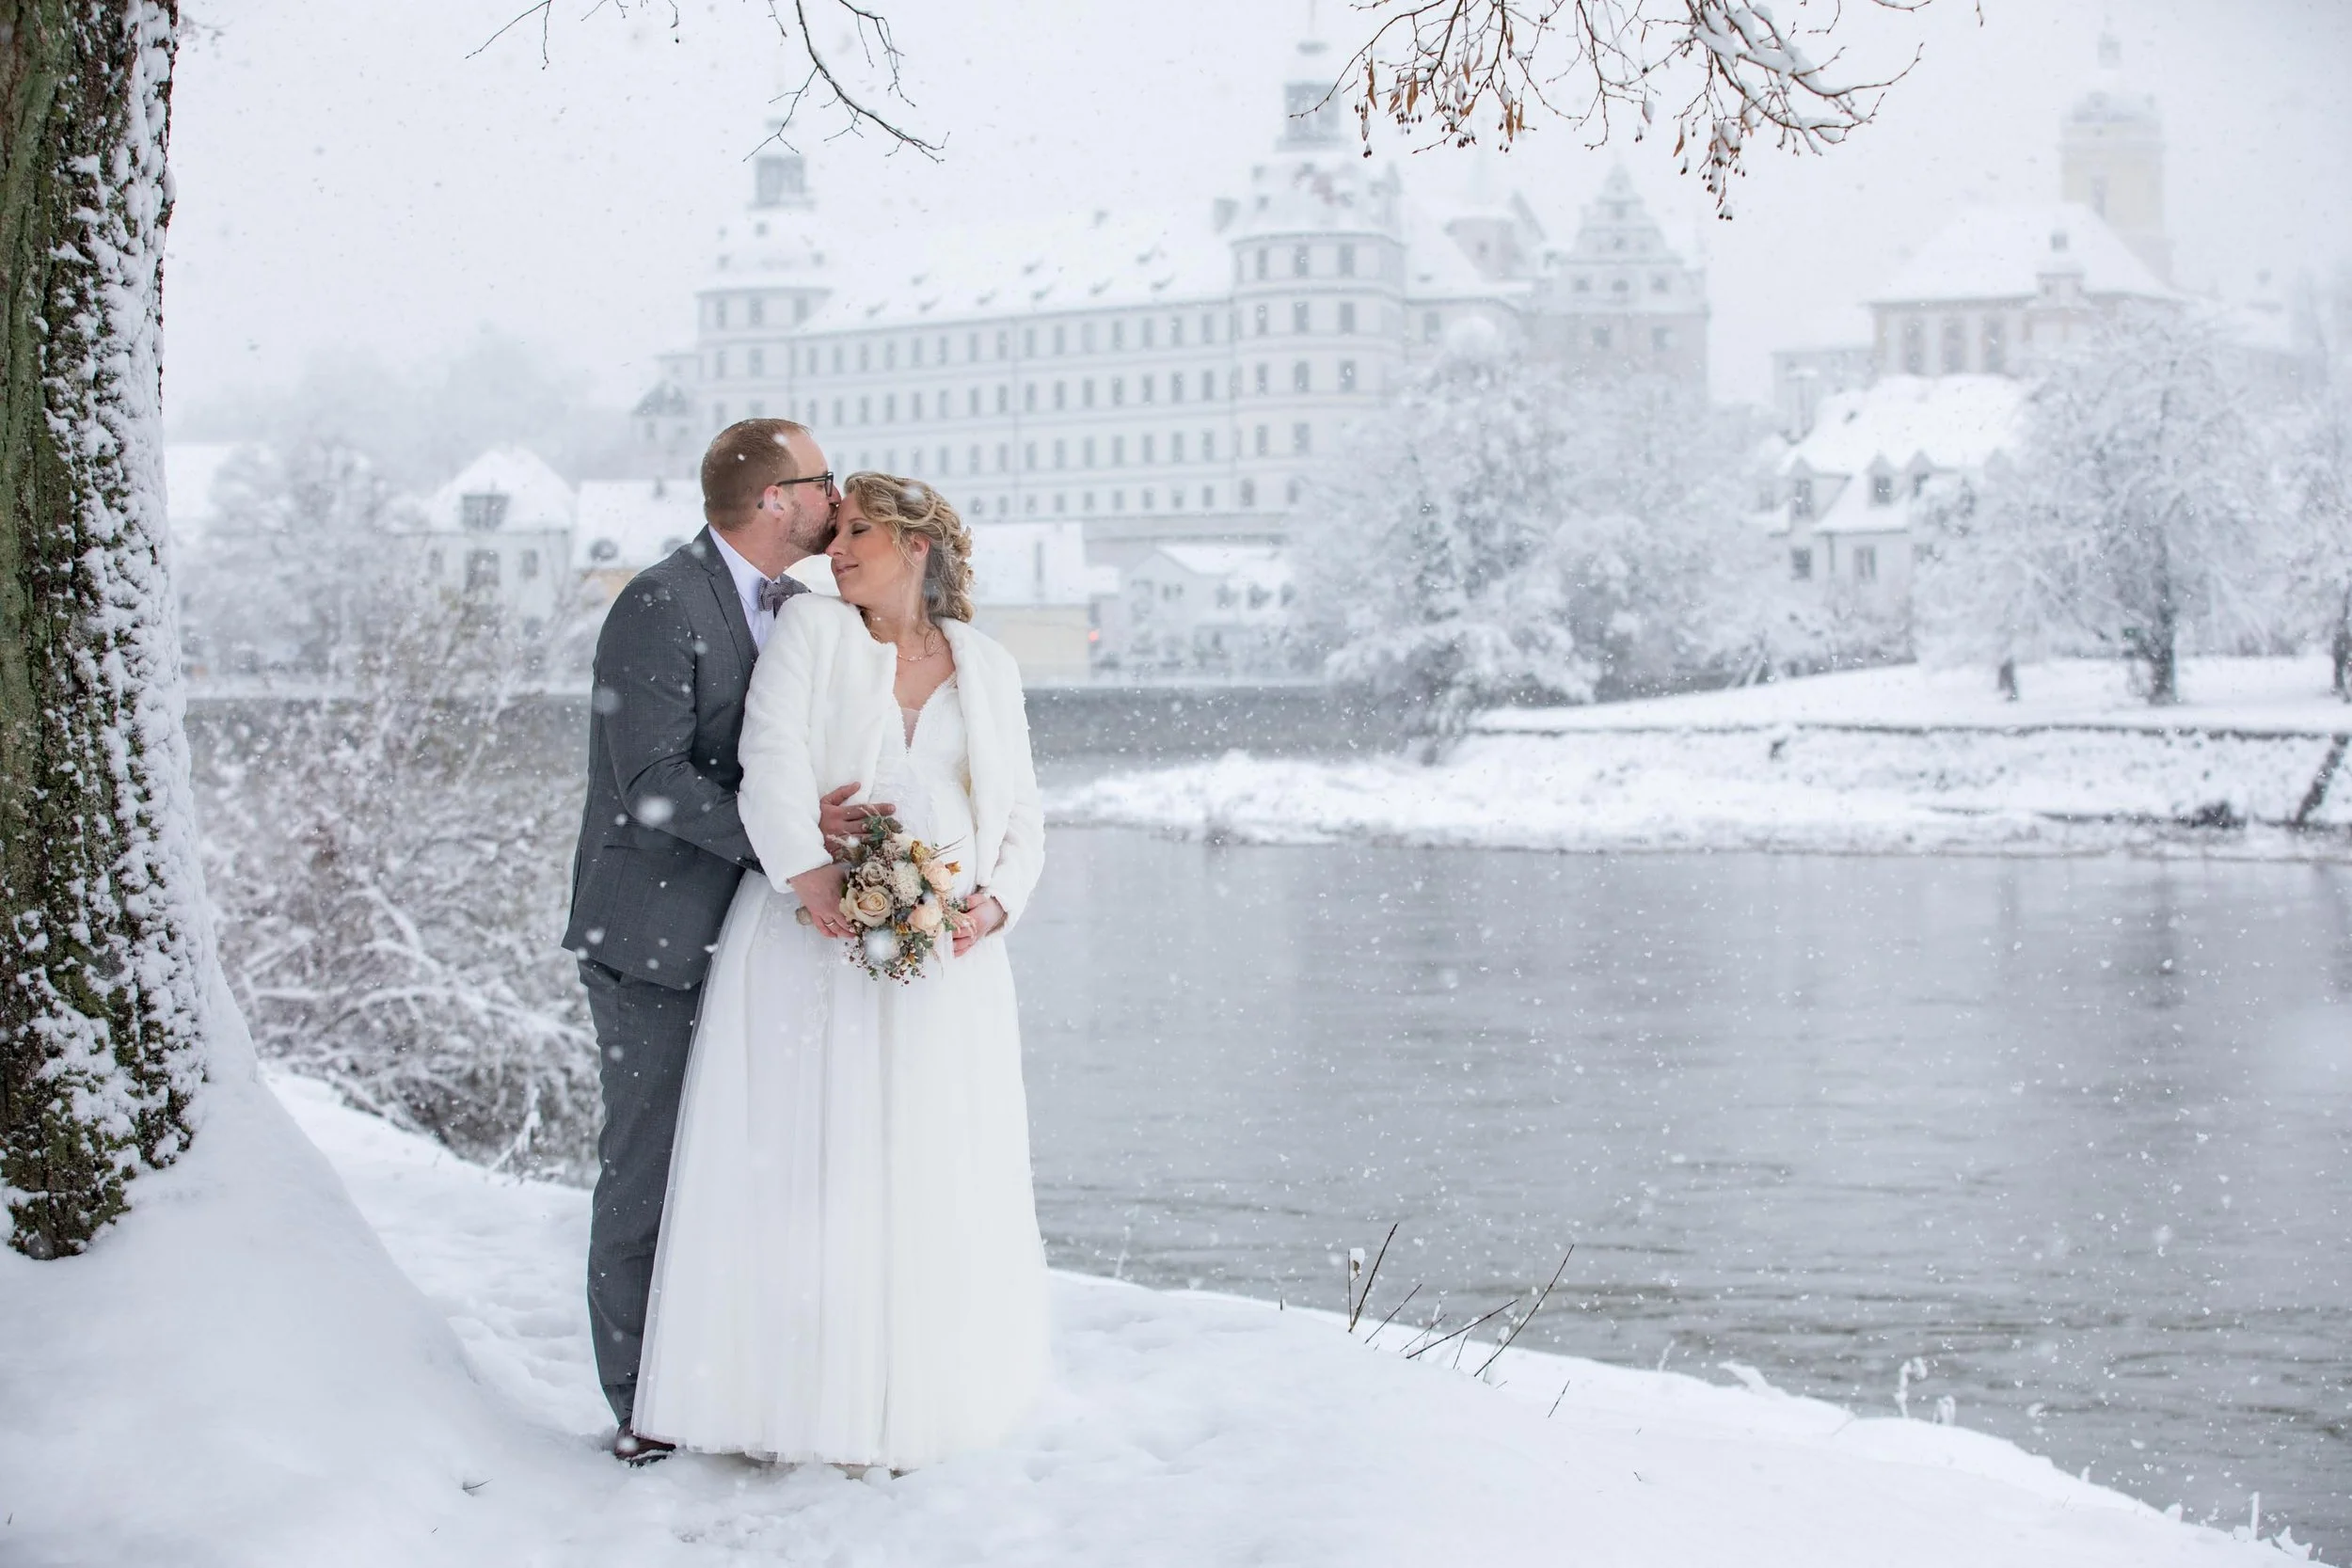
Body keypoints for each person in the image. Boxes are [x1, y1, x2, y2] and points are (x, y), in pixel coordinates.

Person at [630, 473, 1050, 1471]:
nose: (838, 548)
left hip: (948, 963)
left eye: (860, 530)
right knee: (809, 1169)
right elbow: (770, 760)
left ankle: (911, 1401)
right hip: (808, 946)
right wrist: (814, 879)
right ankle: (790, 1402)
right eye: (837, 531)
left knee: (925, 1169)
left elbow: (1024, 812)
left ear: (917, 544)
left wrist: (992, 905)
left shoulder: (987, 664)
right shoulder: (812, 631)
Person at [564, 419, 881, 1464]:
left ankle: (727, 1388)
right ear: (775, 498)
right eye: (824, 479)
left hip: (751, 940)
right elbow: (650, 780)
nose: (837, 495)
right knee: (649, 1173)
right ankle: (641, 1410)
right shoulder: (660, 602)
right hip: (652, 938)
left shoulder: (803, 604)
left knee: (744, 1170)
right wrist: (791, 843)